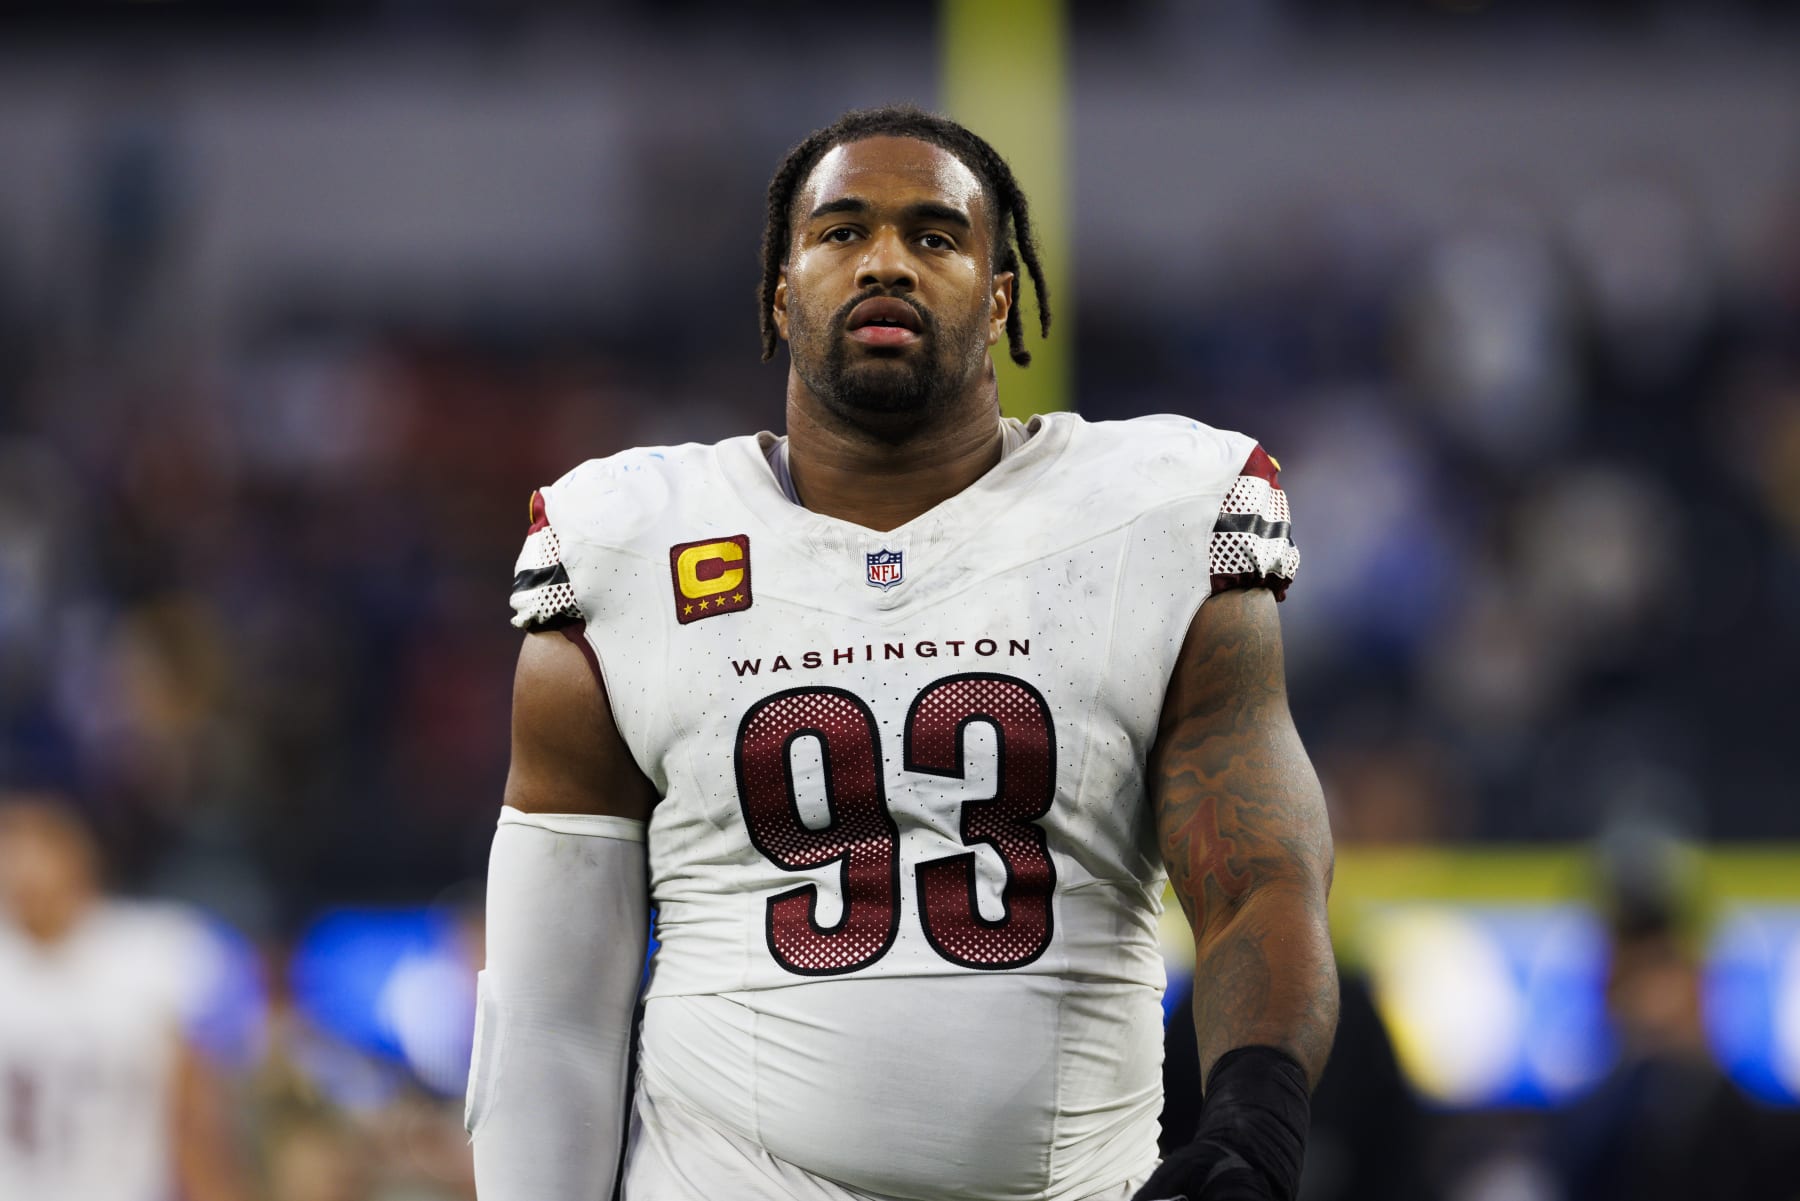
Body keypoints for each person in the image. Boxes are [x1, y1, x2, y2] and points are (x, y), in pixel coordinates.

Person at [467, 106, 1337, 1201]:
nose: (886, 261)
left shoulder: (1155, 514)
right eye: (841, 232)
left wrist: (1256, 1129)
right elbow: (550, 1007)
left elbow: (1260, 878)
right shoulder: (630, 539)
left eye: (934, 235)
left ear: (1001, 294)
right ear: (782, 293)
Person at [0, 793, 247, 1201]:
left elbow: (193, 1120)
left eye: (38, 848)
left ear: (79, 855)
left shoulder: (156, 952)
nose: (22, 870)